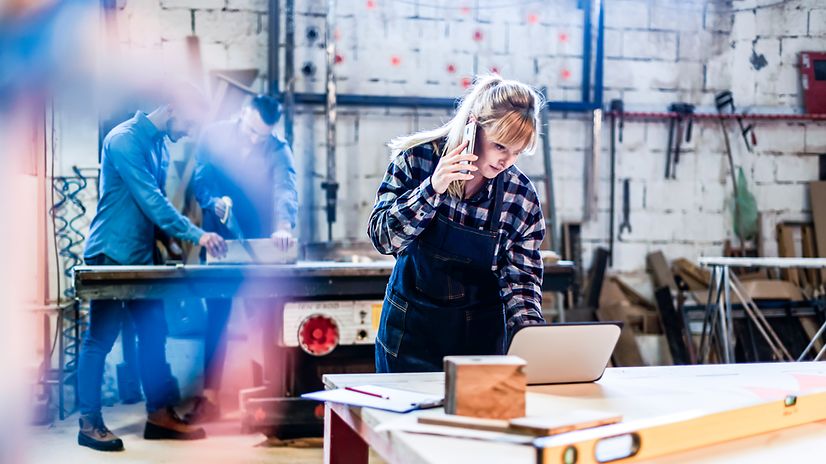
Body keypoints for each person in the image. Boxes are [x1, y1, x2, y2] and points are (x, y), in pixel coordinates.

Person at [77, 85, 227, 452]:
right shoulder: (124, 140)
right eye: (190, 122)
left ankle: (159, 413)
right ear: (174, 106)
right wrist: (197, 234)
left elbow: (151, 211)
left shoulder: (159, 146)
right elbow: (150, 198)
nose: (190, 131)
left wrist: (170, 241)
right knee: (101, 337)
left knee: (154, 333)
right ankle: (89, 422)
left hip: (141, 259)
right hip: (110, 255)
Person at [368, 74, 546, 373]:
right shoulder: (417, 161)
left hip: (479, 348)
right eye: (501, 147)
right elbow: (384, 239)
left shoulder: (520, 196)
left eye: (517, 152)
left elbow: (521, 281)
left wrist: (532, 337)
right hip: (410, 339)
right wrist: (433, 188)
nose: (507, 161)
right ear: (473, 125)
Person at [186, 94, 298, 422]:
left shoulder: (277, 147)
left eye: (261, 135)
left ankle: (265, 396)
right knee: (217, 316)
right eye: (251, 131)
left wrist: (283, 225)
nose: (254, 139)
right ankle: (209, 399)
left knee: (264, 319)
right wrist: (212, 201)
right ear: (244, 114)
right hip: (220, 240)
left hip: (261, 244)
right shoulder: (215, 135)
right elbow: (200, 179)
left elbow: (285, 187)